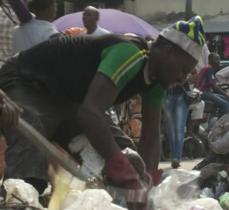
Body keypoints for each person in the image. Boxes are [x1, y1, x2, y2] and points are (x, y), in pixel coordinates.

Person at [0, 16, 205, 194]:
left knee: (129, 157)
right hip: (26, 80)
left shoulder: (157, 82)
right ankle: (20, 206)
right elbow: (91, 113)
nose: (182, 78)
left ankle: (121, 208)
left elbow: (150, 138)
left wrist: (146, 182)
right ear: (168, 53)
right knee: (32, 135)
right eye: (183, 70)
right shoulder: (130, 53)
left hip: (68, 100)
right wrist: (123, 172)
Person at [196, 53, 229, 119]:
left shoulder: (209, 69)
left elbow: (212, 83)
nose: (219, 61)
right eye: (216, 59)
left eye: (219, 59)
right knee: (225, 104)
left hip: (206, 92)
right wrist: (227, 95)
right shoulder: (209, 69)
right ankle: (222, 124)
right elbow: (214, 86)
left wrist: (226, 84)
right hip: (202, 92)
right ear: (210, 60)